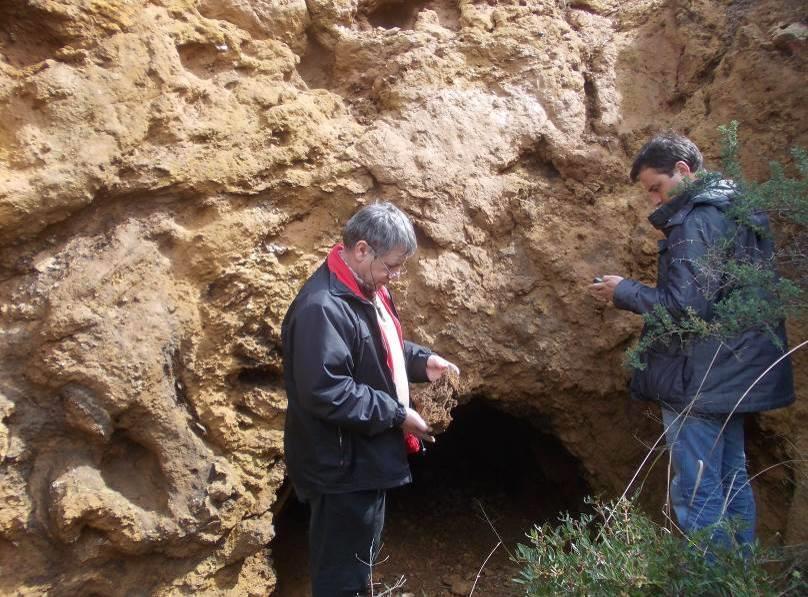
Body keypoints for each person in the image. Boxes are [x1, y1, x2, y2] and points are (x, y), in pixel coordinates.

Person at [588, 133, 794, 549]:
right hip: (734, 375)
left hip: (700, 376)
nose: (654, 200)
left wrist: (623, 290)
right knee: (732, 476)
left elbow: (685, 308)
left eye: (656, 188)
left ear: (683, 171)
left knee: (698, 490)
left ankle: (710, 581)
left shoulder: (696, 218)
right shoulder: (738, 209)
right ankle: (739, 577)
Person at [282, 202, 459, 596]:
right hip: (340, 467)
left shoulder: (364, 289)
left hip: (362, 460)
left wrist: (420, 361)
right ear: (362, 250)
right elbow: (327, 391)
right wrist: (397, 415)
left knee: (359, 563)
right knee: (342, 578)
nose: (395, 275)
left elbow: (375, 347)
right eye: (392, 265)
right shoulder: (321, 308)